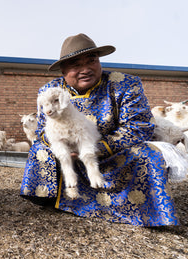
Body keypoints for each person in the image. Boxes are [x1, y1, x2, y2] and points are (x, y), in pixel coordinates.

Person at [20, 33, 180, 226]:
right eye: (76, 65)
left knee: (148, 156)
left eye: (92, 61)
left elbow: (138, 126)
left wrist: (96, 148)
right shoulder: (50, 91)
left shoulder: (125, 85)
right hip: (67, 151)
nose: (85, 69)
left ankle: (144, 211)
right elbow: (42, 130)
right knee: (40, 149)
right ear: (63, 71)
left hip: (113, 153)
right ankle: (54, 198)